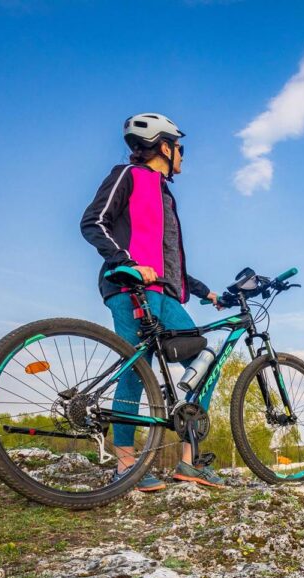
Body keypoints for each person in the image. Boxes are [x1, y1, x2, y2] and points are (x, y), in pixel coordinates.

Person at [81, 113, 226, 491]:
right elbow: (93, 222)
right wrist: (126, 263)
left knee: (206, 361)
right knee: (135, 368)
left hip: (164, 294)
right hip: (129, 289)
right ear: (164, 146)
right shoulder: (126, 176)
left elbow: (167, 260)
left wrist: (202, 290)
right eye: (180, 148)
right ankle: (127, 465)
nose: (182, 155)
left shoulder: (164, 193)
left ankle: (188, 462)